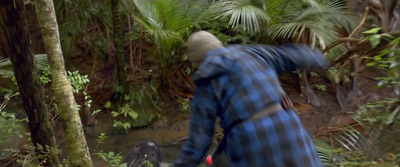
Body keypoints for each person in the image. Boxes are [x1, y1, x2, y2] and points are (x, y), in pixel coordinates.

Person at [173, 31, 327, 167]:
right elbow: (293, 56)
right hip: (289, 130)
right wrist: (319, 58)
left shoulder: (207, 79)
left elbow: (198, 143)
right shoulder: (252, 53)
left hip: (252, 145)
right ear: (219, 45)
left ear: (197, 63)